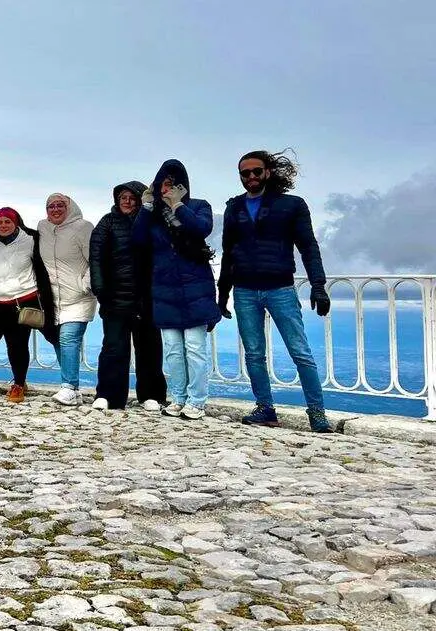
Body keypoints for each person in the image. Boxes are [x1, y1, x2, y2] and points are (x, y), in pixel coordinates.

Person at [218, 150, 332, 433]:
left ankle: (317, 414)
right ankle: (265, 409)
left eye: (256, 171)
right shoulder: (234, 207)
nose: (251, 177)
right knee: (254, 354)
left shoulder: (291, 205)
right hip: (244, 289)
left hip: (280, 287)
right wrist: (222, 292)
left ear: (268, 171)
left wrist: (318, 285)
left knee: (300, 352)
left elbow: (308, 246)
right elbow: (228, 251)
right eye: (245, 173)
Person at [132, 159, 221, 420]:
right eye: (162, 184)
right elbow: (138, 239)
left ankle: (197, 400)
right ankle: (178, 397)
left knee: (194, 347)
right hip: (164, 288)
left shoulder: (199, 207)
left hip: (196, 287)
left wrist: (178, 205)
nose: (166, 189)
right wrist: (147, 207)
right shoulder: (153, 215)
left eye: (172, 184)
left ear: (182, 186)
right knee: (172, 348)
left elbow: (200, 228)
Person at [89, 181, 167, 411]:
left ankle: (151, 395)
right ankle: (108, 395)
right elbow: (96, 259)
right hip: (114, 297)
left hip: (146, 297)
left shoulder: (152, 222)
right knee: (113, 347)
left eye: (132, 197)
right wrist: (100, 290)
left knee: (149, 347)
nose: (127, 201)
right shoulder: (107, 222)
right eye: (123, 197)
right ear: (116, 199)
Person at [0, 207, 58, 403]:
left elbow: (42, 265)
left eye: (8, 221)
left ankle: (65, 382)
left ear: (16, 223)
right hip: (1, 301)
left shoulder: (31, 239)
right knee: (14, 344)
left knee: (52, 335)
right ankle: (19, 382)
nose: (3, 225)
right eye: (0, 222)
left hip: (27, 297)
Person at [37, 193, 96, 405]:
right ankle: (75, 390)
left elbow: (95, 260)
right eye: (50, 206)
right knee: (56, 339)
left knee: (69, 339)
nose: (55, 209)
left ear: (69, 207)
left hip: (78, 297)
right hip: (52, 300)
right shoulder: (43, 228)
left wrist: (85, 284)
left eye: (60, 205)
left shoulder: (83, 228)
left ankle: (68, 386)